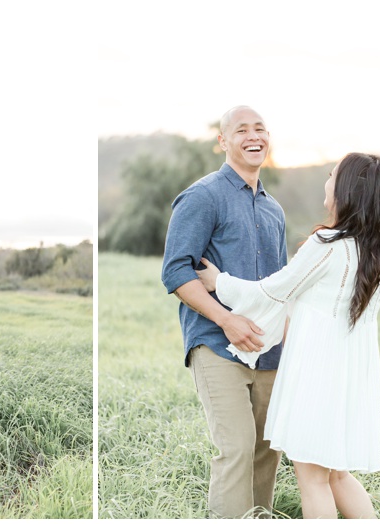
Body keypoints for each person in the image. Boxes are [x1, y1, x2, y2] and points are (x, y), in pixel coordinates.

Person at [197, 152, 380, 518]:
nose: (327, 182)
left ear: (346, 191)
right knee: (337, 474)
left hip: (317, 373)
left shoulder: (327, 245)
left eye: (331, 175)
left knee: (312, 477)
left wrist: (219, 283)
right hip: (350, 375)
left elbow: (273, 291)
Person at [161, 105, 288, 518]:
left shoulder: (275, 210)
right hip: (217, 345)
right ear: (223, 141)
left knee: (267, 449)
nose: (254, 137)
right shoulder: (203, 196)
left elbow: (281, 285)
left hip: (269, 350)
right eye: (241, 131)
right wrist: (226, 319)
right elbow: (176, 270)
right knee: (236, 448)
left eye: (261, 129)